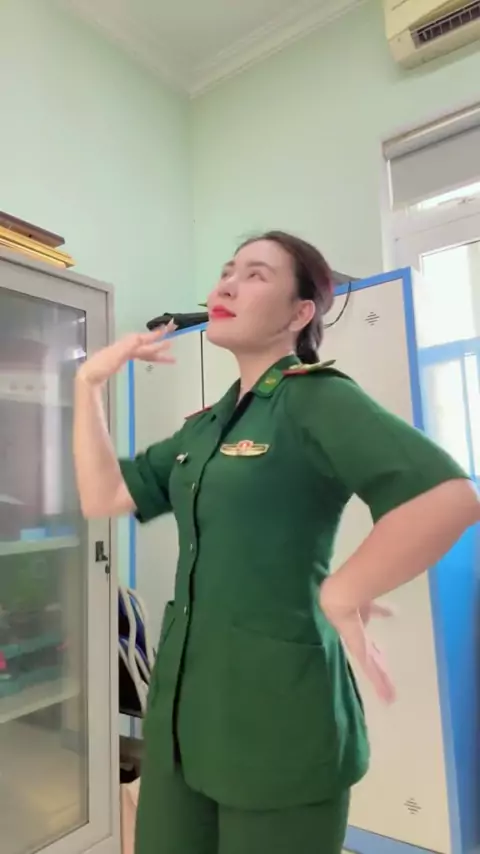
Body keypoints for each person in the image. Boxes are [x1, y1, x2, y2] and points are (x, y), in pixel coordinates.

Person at [74, 231, 479, 854]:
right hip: (186, 717)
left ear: (299, 313)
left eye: (256, 274)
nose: (227, 285)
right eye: (226, 271)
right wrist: (88, 386)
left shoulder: (315, 398)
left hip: (279, 718)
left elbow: (447, 497)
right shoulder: (207, 425)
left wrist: (345, 589)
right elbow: (104, 495)